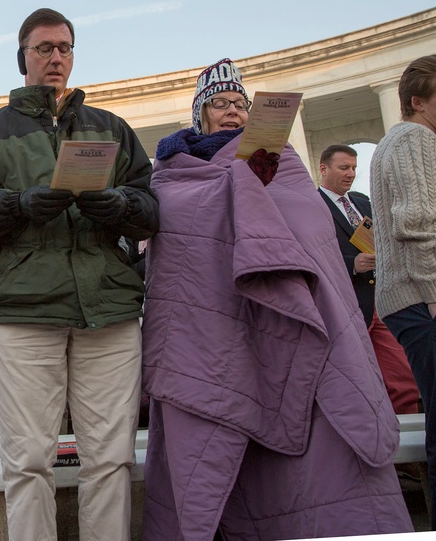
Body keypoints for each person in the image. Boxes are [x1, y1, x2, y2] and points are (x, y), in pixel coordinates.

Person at [142, 58, 412, 539]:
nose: (232, 111)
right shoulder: (171, 176)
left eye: (240, 103)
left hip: (293, 319)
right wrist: (239, 185)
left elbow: (309, 228)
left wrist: (249, 184)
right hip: (212, 333)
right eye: (219, 103)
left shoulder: (285, 164)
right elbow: (178, 251)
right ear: (200, 114)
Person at [0, 9, 158, 541]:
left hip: (107, 311)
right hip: (25, 311)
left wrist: (121, 205)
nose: (56, 57)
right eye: (43, 48)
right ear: (23, 58)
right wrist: (18, 204)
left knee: (111, 458)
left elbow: (152, 209)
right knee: (28, 459)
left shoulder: (111, 128)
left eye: (64, 47)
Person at [371, 54, 436, 530]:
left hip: (410, 296)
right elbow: (416, 222)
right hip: (423, 297)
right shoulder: (415, 138)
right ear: (418, 102)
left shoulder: (397, 140)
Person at [317, 144, 418, 413]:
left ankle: (406, 432)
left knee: (403, 379)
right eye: (344, 167)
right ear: (323, 169)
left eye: (353, 168)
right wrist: (352, 264)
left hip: (381, 302)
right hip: (344, 307)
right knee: (357, 384)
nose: (351, 173)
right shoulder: (312, 207)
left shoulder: (362, 202)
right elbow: (312, 254)